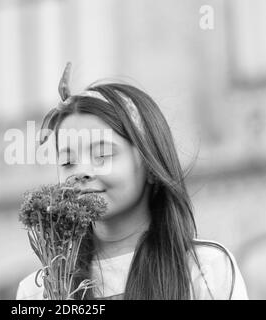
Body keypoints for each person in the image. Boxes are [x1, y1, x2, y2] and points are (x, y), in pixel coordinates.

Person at [16, 63, 248, 300]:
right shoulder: (37, 291)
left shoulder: (206, 271)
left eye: (103, 154)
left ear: (149, 165)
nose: (81, 171)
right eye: (67, 161)